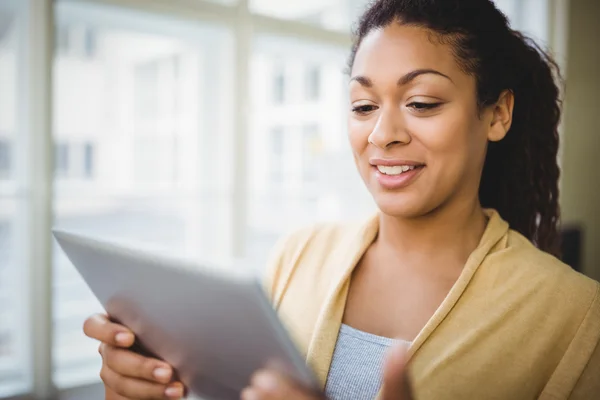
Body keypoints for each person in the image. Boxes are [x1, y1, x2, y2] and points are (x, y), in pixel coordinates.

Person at [83, 0, 600, 399]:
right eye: (363, 105)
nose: (382, 133)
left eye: (420, 102)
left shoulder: (576, 319)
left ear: (497, 114)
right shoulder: (297, 256)